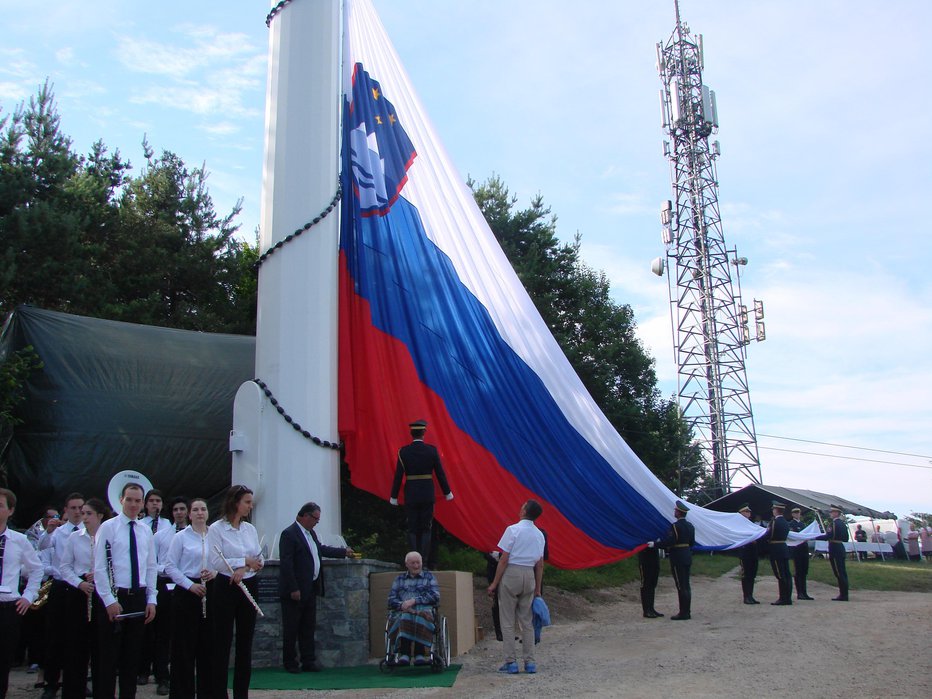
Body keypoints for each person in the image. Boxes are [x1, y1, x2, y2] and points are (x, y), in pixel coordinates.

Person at [94, 482, 158, 699]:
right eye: (129, 499)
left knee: (132, 658)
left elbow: (150, 566)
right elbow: (100, 567)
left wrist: (152, 599)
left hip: (138, 597)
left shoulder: (145, 530)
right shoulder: (108, 527)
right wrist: (109, 600)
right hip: (115, 597)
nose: (133, 504)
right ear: (121, 500)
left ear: (142, 503)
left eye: (137, 500)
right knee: (109, 660)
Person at [278, 502, 353, 673]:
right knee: (291, 628)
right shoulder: (289, 534)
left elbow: (320, 550)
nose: (316, 523)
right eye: (315, 519)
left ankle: (308, 660)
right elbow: (287, 564)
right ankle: (290, 662)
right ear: (305, 516)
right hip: (295, 590)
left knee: (308, 626)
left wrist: (342, 552)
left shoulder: (310, 533)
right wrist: (293, 588)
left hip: (310, 587)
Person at [208, 485, 263, 699]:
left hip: (248, 584)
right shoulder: (216, 529)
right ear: (235, 503)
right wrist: (243, 561)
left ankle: (242, 694)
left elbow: (259, 559)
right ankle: (219, 693)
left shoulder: (250, 529)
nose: (250, 506)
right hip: (226, 587)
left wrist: (244, 567)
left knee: (245, 643)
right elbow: (216, 561)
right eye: (247, 502)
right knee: (222, 642)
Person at [59, 497, 110, 699]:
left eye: (88, 513)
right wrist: (79, 583)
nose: (83, 516)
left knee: (100, 648)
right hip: (79, 591)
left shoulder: (108, 536)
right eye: (83, 512)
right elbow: (64, 567)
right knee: (75, 647)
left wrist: (99, 576)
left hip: (101, 592)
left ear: (99, 516)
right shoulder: (74, 537)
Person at [164, 498, 215, 699]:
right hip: (187, 592)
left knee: (208, 647)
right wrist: (189, 585)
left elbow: (222, 561)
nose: (200, 513)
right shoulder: (181, 538)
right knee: (183, 648)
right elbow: (170, 566)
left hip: (209, 590)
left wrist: (214, 573)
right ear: (190, 514)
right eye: (196, 510)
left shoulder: (215, 535)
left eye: (203, 509)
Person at [487, 500, 545, 674]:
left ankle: (510, 661)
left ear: (525, 511)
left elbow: (504, 559)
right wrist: (538, 589)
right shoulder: (539, 535)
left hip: (512, 573)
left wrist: (494, 583)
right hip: (529, 574)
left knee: (507, 619)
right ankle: (530, 662)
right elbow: (540, 564)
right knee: (527, 621)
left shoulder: (513, 530)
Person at [38, 492, 85, 699]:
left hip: (81, 588)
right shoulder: (58, 532)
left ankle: (77, 682)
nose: (77, 512)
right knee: (55, 637)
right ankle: (51, 683)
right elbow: (42, 547)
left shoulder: (89, 531)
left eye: (80, 508)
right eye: (73, 508)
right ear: (66, 510)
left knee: (79, 639)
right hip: (60, 587)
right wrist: (48, 532)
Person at [0, 488, 44, 699]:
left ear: (10, 511)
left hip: (7, 606)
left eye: (0, 506)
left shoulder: (18, 540)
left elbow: (36, 569)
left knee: (3, 660)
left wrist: (28, 596)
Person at [142, 497, 188, 695]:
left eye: (182, 509)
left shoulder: (193, 535)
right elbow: (153, 563)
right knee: (162, 634)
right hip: (164, 586)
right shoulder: (160, 536)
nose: (179, 512)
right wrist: (169, 570)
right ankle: (162, 677)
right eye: (175, 509)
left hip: (186, 587)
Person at [389, 420, 454, 561]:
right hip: (427, 493)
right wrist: (447, 492)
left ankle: (413, 560)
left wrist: (393, 496)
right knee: (426, 527)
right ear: (424, 433)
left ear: (411, 433)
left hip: (411, 493)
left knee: (412, 527)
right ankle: (423, 561)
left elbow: (398, 476)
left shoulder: (403, 452)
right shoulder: (431, 450)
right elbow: (440, 473)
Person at [387, 551, 440, 666]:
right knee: (405, 616)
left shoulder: (429, 577)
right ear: (406, 564)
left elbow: (435, 596)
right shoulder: (399, 579)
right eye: (413, 563)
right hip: (402, 611)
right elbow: (391, 599)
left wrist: (414, 601)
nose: (416, 566)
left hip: (424, 610)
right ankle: (404, 654)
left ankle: (419, 654)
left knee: (418, 617)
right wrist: (402, 605)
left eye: (418, 563)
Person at [651, 500, 696, 620]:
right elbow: (692, 542)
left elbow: (671, 541)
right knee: (686, 584)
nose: (674, 512)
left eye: (675, 510)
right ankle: (687, 610)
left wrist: (655, 545)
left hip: (678, 556)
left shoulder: (675, 526)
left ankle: (684, 612)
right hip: (687, 554)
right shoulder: (690, 526)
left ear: (679, 513)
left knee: (681, 585)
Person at [816, 504, 850, 601]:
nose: (830, 514)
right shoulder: (843, 524)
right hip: (840, 547)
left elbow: (829, 536)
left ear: (836, 513)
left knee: (838, 572)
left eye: (832, 512)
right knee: (842, 572)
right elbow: (846, 538)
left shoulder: (834, 524)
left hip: (835, 548)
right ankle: (844, 593)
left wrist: (815, 537)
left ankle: (843, 595)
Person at [762, 501, 792, 606]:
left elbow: (769, 535)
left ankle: (783, 598)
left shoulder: (774, 522)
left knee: (780, 574)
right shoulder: (786, 522)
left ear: (776, 510)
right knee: (787, 574)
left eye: (773, 509)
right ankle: (788, 597)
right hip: (783, 548)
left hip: (776, 549)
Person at [787, 507, 814, 600]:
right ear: (793, 514)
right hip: (797, 550)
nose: (798, 514)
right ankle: (800, 592)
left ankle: (804, 592)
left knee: (804, 571)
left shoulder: (802, 524)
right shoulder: (791, 524)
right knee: (798, 571)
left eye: (799, 513)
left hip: (804, 549)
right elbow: (793, 536)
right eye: (796, 513)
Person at [737, 504, 760, 605]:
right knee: (746, 574)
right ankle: (746, 596)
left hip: (753, 551)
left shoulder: (751, 524)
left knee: (752, 575)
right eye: (746, 512)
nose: (748, 513)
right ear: (741, 513)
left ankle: (751, 595)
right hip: (745, 551)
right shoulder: (738, 524)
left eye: (749, 512)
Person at [637, 545, 663, 617]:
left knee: (652, 584)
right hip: (645, 557)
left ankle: (651, 608)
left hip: (654, 556)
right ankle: (646, 610)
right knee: (646, 584)